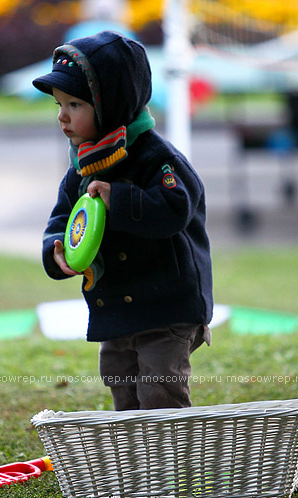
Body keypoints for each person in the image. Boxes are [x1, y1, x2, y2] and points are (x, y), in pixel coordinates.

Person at [33, 31, 213, 411]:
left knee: (158, 389)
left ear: (111, 104)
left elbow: (176, 208)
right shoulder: (83, 163)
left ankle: (171, 462)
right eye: (59, 104)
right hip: (116, 303)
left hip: (167, 303)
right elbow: (63, 218)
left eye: (75, 104)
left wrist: (122, 199)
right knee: (119, 379)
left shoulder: (156, 158)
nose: (63, 116)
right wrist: (56, 248)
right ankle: (136, 463)